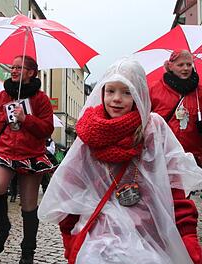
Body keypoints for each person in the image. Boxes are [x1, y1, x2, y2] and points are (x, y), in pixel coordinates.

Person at [38, 58, 202, 264]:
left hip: (148, 231)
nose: (117, 99)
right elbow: (72, 188)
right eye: (111, 91)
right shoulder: (90, 134)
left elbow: (173, 186)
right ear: (102, 92)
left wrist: (188, 237)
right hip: (100, 233)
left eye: (127, 92)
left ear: (139, 95)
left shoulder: (152, 129)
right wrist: (69, 237)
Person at [0, 55, 56, 264]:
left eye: (19, 68)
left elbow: (47, 129)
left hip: (31, 154)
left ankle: (27, 251)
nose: (13, 70)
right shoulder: (2, 96)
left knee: (29, 206)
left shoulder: (41, 99)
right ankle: (2, 228)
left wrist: (26, 119)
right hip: (4, 151)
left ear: (31, 73)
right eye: (12, 67)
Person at [149, 49, 202, 168]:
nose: (186, 68)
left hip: (195, 161)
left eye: (189, 64)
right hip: (163, 159)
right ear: (170, 66)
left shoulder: (200, 92)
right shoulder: (153, 90)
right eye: (180, 65)